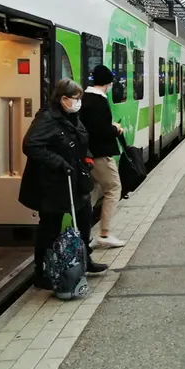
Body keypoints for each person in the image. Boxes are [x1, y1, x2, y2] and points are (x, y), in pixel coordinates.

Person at [19, 79, 108, 290]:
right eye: (76, 99)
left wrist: (86, 157)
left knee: (84, 219)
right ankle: (42, 272)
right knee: (50, 227)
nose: (78, 103)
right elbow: (31, 145)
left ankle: (84, 260)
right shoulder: (47, 118)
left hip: (75, 179)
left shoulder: (72, 116)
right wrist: (59, 162)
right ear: (64, 99)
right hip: (52, 184)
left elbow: (81, 141)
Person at [79, 65, 127, 249]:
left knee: (91, 193)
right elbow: (100, 130)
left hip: (87, 154)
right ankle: (105, 234)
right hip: (99, 154)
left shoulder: (85, 98)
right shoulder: (98, 101)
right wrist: (115, 129)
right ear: (108, 83)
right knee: (114, 188)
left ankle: (82, 235)